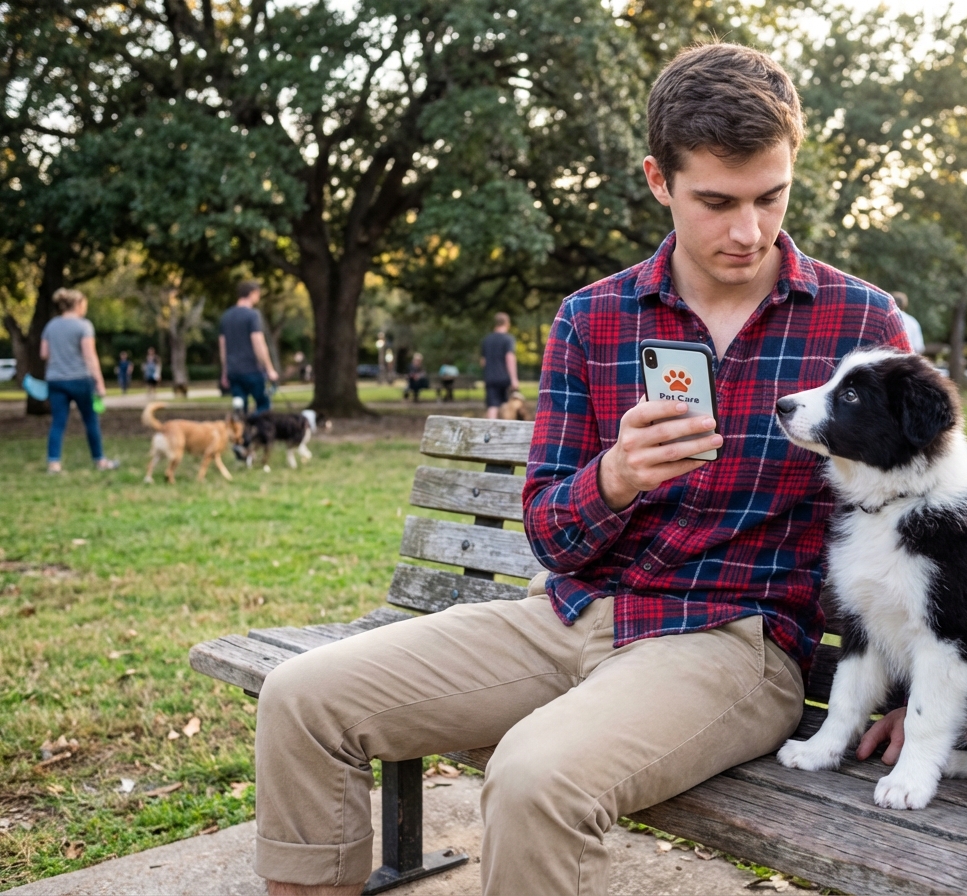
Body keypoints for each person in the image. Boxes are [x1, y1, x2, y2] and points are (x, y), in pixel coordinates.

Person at [252, 43, 909, 896]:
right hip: (569, 611)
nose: (749, 231)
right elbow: (549, 533)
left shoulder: (861, 326)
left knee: (534, 778)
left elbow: (908, 525)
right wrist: (616, 477)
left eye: (770, 197)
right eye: (716, 201)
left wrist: (906, 692)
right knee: (301, 699)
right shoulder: (593, 318)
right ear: (657, 180)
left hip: (728, 641)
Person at [40, 288, 118, 473]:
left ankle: (54, 463)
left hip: (55, 380)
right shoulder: (83, 326)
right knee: (90, 420)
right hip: (80, 379)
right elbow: (90, 356)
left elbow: (44, 353)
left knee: (58, 421)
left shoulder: (51, 326)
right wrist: (99, 382)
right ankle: (99, 461)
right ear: (77, 304)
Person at [219, 280, 279, 413]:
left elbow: (223, 347)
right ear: (252, 293)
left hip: (233, 371)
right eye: (258, 294)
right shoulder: (252, 315)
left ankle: (242, 432)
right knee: (263, 405)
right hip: (252, 369)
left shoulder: (226, 317)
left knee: (240, 407)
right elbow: (258, 342)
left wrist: (225, 372)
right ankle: (256, 431)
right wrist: (269, 369)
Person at [480, 312, 519, 419]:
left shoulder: (486, 340)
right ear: (507, 323)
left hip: (490, 378)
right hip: (504, 378)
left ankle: (489, 432)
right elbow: (509, 358)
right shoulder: (508, 339)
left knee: (492, 406)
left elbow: (483, 361)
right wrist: (514, 379)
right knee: (506, 406)